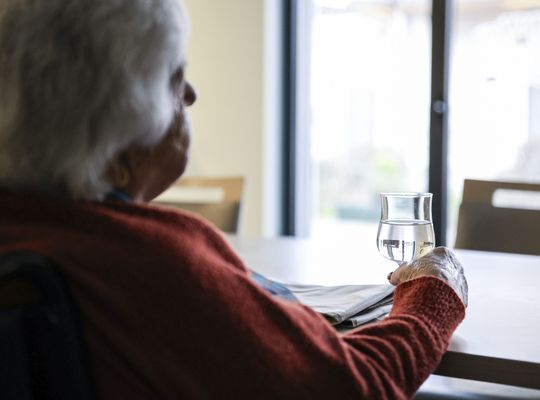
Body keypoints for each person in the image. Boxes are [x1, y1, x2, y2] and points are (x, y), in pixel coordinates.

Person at [0, 0, 468, 399]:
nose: (190, 94)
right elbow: (354, 385)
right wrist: (435, 293)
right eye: (173, 76)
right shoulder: (148, 263)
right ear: (122, 119)